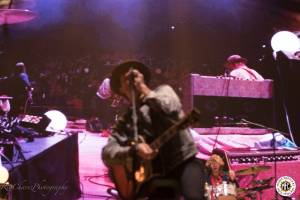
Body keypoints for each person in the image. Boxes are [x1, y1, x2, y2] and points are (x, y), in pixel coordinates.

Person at [101, 61, 207, 199]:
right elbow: (107, 152)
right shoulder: (126, 121)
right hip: (153, 173)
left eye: (134, 75)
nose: (131, 81)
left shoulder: (164, 92)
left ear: (142, 77)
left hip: (184, 161)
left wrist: (143, 89)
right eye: (125, 79)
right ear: (120, 89)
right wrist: (134, 150)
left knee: (193, 196)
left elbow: (170, 108)